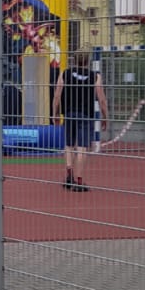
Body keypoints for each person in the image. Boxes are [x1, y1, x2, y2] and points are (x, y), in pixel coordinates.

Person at [53, 49, 108, 192]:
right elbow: (101, 98)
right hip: (85, 114)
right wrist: (105, 116)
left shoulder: (65, 74)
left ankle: (69, 175)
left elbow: (57, 95)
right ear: (88, 61)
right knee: (82, 147)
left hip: (69, 113)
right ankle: (78, 179)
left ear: (74, 60)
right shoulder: (95, 76)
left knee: (69, 145)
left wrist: (55, 113)